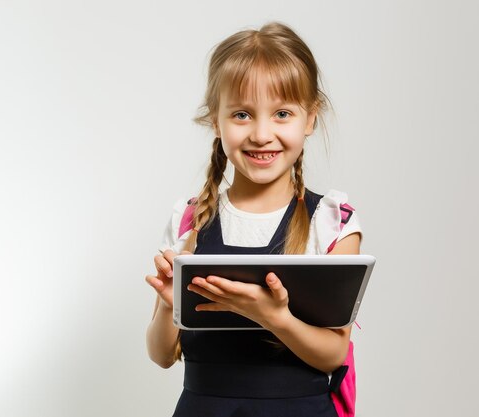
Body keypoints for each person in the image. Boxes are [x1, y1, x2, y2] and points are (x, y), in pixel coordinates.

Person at [145, 22, 363, 417]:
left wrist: (274, 317)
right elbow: (162, 355)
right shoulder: (190, 222)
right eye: (242, 114)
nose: (262, 134)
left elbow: (333, 354)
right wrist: (167, 307)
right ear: (216, 120)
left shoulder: (331, 223)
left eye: (282, 113)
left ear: (310, 119)